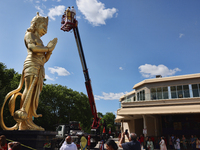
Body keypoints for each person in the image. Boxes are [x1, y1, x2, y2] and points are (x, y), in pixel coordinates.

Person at [0, 12, 57, 131]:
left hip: (40, 67)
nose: (45, 30)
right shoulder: (29, 35)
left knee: (35, 94)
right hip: (31, 64)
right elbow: (32, 48)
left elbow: (44, 59)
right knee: (29, 89)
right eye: (44, 26)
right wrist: (48, 48)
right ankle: (23, 121)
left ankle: (29, 119)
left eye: (47, 28)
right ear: (36, 25)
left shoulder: (40, 41)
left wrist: (50, 51)